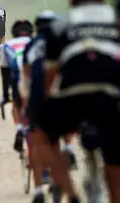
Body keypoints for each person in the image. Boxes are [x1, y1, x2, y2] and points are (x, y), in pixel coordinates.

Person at [35, 0, 120, 203]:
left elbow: (50, 75)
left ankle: (72, 196)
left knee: (43, 137)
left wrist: (41, 105)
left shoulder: (60, 23)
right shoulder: (115, 17)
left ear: (71, 0)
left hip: (73, 94)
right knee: (115, 154)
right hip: (111, 94)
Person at [21, 11, 75, 203]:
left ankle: (37, 191)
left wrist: (25, 104)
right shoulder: (66, 41)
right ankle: (69, 149)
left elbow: (26, 77)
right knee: (59, 136)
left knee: (37, 142)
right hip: (62, 94)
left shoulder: (32, 45)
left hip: (38, 96)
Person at [0, 20, 32, 152]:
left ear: (13, 33)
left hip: (17, 78)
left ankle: (19, 129)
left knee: (16, 105)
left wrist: (6, 95)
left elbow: (5, 73)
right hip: (35, 77)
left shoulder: (7, 45)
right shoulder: (36, 41)